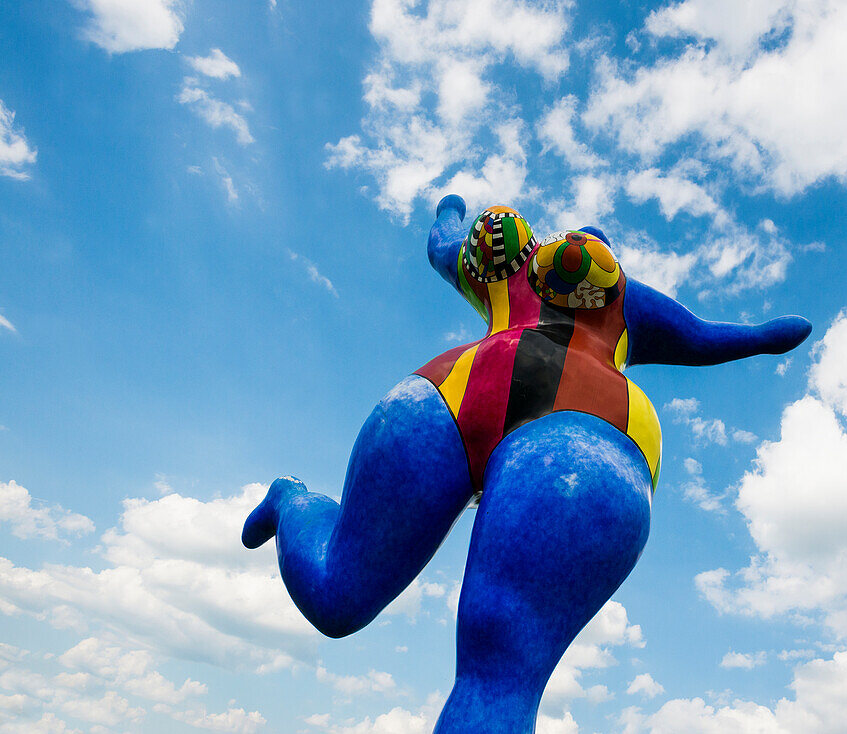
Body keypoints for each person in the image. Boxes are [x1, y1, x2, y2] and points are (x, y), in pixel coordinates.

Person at [242, 194, 811, 733]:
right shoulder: (507, 270)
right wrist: (765, 336)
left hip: (579, 426)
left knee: (500, 662)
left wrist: (768, 336)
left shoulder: (625, 302)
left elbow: (708, 338)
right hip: (447, 402)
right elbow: (712, 337)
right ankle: (291, 498)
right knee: (337, 597)